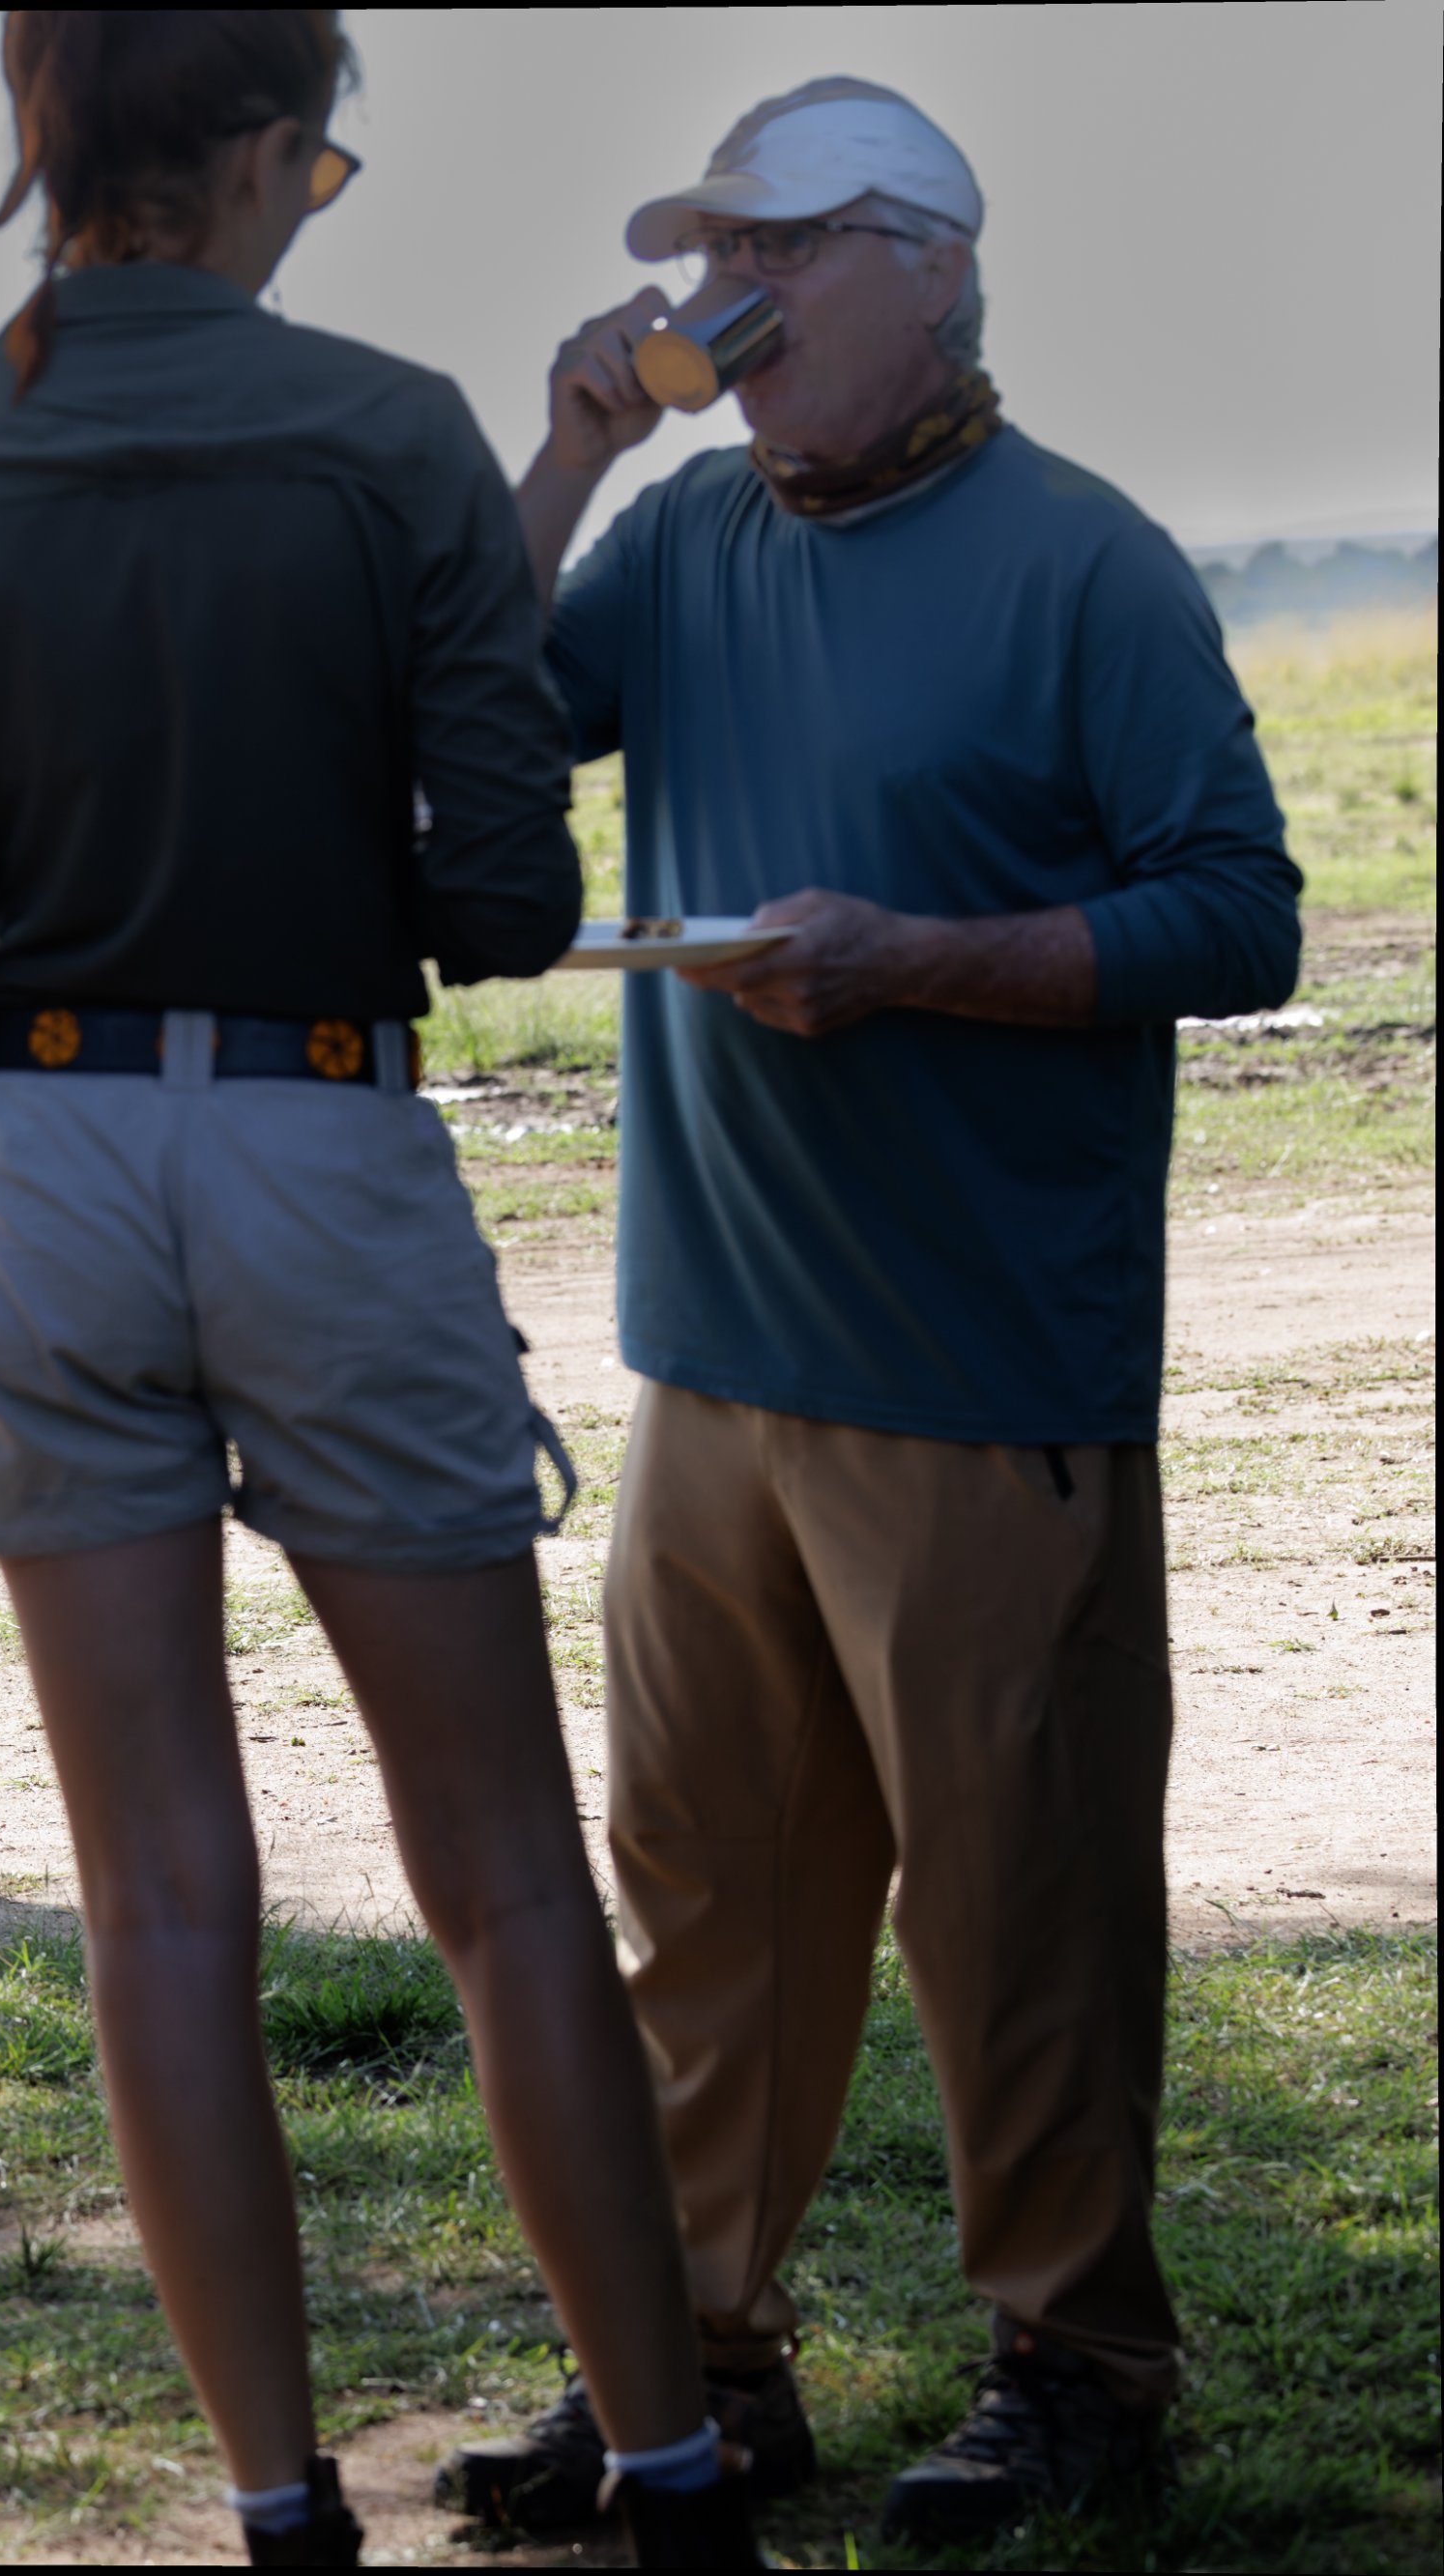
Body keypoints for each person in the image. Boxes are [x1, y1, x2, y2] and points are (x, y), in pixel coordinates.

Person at [0, 14, 753, 2566]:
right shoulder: (386, 435)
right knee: (504, 1874)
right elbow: (505, 905)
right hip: (326, 1137)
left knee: (160, 1899)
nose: (318, 196)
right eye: (315, 153)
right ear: (239, 152)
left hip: (39, 1149)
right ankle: (672, 2476)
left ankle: (277, 2511)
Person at [435, 79, 1300, 2549]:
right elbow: (472, 724)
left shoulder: (1082, 566)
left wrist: (917, 961)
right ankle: (690, 2365)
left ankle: (1081, 2372)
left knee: (1014, 1905)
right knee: (703, 1890)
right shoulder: (688, 535)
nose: (730, 289)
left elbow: (1233, 919)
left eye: (777, 247)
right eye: (710, 250)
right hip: (705, 1357)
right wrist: (567, 449)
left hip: (979, 1375)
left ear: (921, 265)